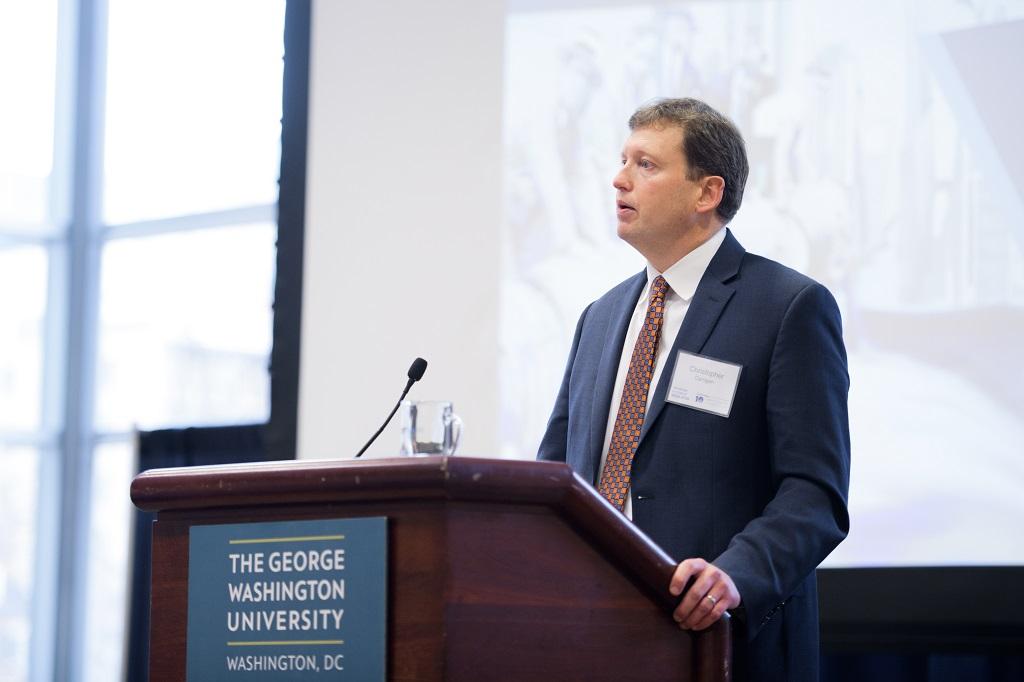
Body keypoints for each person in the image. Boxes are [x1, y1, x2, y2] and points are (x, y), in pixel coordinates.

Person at [537, 98, 850, 682]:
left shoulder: (787, 308)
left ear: (707, 193)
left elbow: (815, 494)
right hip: (591, 636)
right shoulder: (599, 318)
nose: (619, 178)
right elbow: (558, 473)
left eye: (646, 165)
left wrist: (736, 575)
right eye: (622, 159)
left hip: (720, 643)